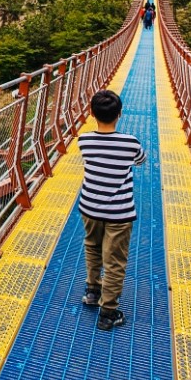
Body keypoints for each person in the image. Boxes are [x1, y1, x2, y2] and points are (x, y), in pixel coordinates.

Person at [77, 89, 146, 330]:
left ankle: (92, 290)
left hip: (89, 207)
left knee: (92, 246)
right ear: (119, 114)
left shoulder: (83, 141)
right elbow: (140, 160)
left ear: (92, 114)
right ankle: (108, 312)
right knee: (115, 260)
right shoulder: (130, 143)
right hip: (119, 212)